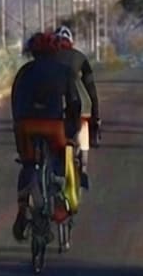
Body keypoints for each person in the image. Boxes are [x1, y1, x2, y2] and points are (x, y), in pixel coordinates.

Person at [9, 31, 86, 241]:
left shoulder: (24, 72)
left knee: (27, 164)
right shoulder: (64, 71)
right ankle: (60, 205)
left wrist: (18, 125)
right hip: (54, 127)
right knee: (63, 158)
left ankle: (22, 207)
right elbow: (75, 103)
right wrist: (72, 129)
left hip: (26, 126)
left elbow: (15, 102)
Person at [52, 25, 100, 187]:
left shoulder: (47, 58)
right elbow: (91, 89)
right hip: (79, 103)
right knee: (83, 125)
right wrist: (97, 116)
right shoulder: (80, 57)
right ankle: (84, 167)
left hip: (52, 105)